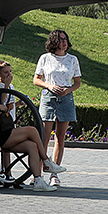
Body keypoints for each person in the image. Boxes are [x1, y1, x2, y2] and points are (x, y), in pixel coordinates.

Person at [34, 29, 82, 187]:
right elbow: (36, 79)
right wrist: (49, 86)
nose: (64, 42)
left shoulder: (73, 59)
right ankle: (38, 173)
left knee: (60, 138)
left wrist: (67, 90)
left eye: (65, 39)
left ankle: (54, 174)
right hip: (49, 97)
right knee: (44, 138)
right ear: (53, 42)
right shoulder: (45, 58)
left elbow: (77, 82)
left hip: (66, 98)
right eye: (60, 39)